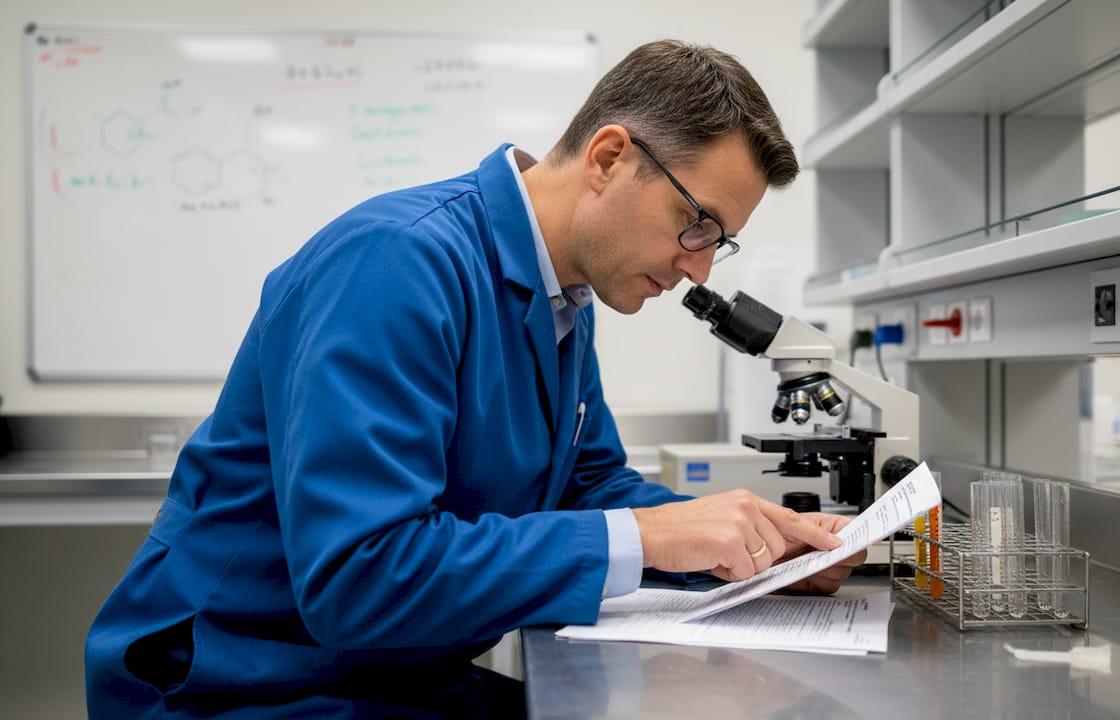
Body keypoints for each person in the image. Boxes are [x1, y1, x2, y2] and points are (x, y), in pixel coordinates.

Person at [85, 39, 866, 718]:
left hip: (391, 675)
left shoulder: (565, 296)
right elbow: (361, 575)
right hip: (243, 684)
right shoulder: (395, 264)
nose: (698, 269)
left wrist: (753, 544)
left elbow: (587, 490)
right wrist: (647, 535)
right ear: (608, 159)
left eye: (719, 243)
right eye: (696, 224)